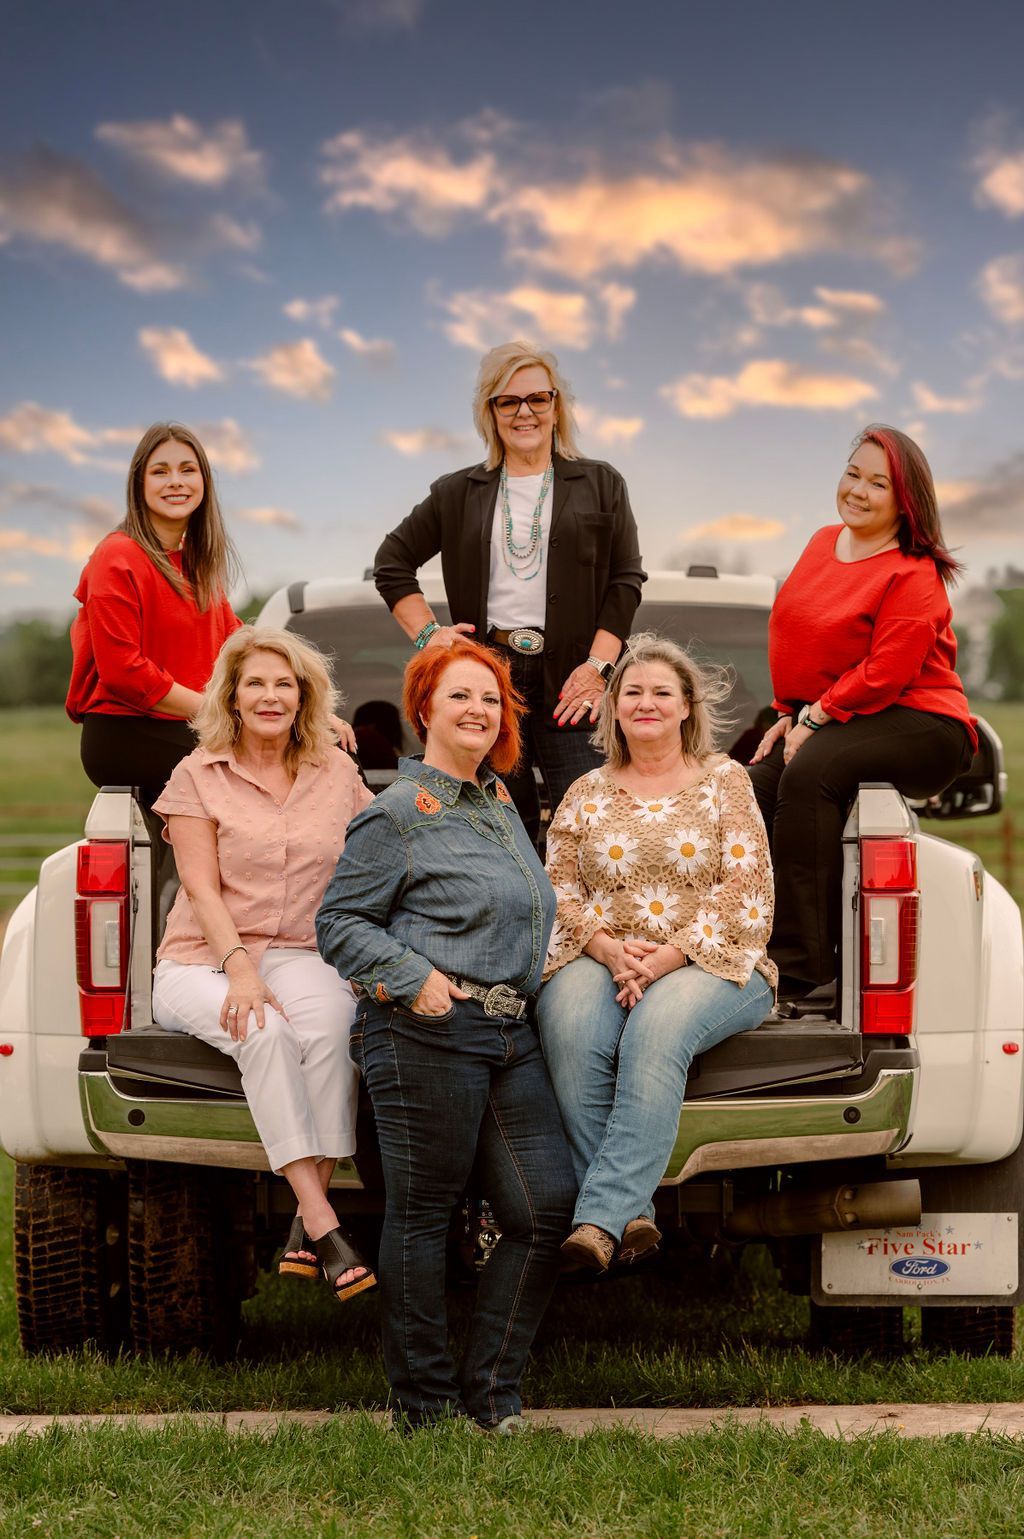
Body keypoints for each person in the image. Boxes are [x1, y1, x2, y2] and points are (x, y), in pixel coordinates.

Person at [316, 636, 576, 1431]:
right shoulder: (395, 812)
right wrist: (414, 978)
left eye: (491, 698)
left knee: (544, 1207)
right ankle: (422, 1403)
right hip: (425, 1031)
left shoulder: (498, 804)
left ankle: (491, 1392)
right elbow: (339, 922)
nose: (478, 710)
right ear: (423, 708)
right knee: (424, 1213)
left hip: (508, 1031)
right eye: (460, 695)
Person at [536, 633, 777, 1272]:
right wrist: (610, 950)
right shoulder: (586, 790)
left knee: (655, 1031)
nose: (646, 702)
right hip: (600, 954)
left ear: (687, 706)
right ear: (613, 708)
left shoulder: (727, 781)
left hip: (716, 957)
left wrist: (668, 957)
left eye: (661, 692)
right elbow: (555, 885)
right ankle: (628, 1215)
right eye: (632, 692)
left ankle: (598, 1216)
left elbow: (747, 887)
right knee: (568, 1029)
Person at [151, 626, 377, 1301]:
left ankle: (306, 1228)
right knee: (265, 1032)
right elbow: (200, 887)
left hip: (303, 951)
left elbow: (384, 847)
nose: (270, 695)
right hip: (203, 958)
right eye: (256, 682)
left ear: (304, 695)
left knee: (336, 1029)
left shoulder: (336, 771)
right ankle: (323, 1218)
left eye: (285, 683)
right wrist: (241, 968)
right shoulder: (198, 773)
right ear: (233, 694)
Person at [373, 340, 646, 843]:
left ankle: (587, 926)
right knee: (499, 832)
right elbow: (391, 564)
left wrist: (599, 668)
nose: (525, 412)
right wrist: (430, 636)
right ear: (490, 412)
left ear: (556, 406)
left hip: (575, 683)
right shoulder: (457, 492)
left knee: (592, 829)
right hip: (492, 679)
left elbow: (625, 580)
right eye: (508, 401)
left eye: (537, 399)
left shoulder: (601, 482)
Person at [748, 425, 976, 999]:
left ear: (906, 502)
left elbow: (887, 673)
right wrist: (787, 711)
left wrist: (816, 718)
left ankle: (807, 967)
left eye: (879, 484)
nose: (859, 490)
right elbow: (798, 638)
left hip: (925, 721)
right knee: (752, 784)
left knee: (811, 773)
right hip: (846, 711)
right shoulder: (822, 541)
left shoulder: (913, 572)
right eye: (853, 474)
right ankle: (742, 940)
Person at [66, 423, 242, 824]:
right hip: (128, 732)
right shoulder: (116, 555)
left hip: (189, 725)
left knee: (322, 747)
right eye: (161, 471)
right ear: (139, 483)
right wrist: (220, 713)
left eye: (187, 469)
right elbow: (123, 672)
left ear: (204, 481)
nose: (175, 482)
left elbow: (240, 645)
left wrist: (307, 709)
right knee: (265, 763)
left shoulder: (199, 565)